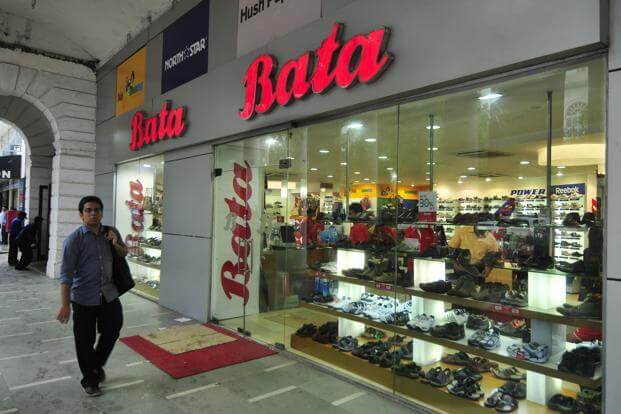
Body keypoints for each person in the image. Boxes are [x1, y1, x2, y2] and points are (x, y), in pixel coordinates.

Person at [55, 196, 127, 397]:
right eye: (88, 210)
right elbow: (66, 275)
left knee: (113, 329)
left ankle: (95, 365)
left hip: (109, 294)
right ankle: (90, 380)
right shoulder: (74, 240)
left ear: (101, 213)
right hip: (83, 298)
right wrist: (65, 305)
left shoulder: (111, 232)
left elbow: (124, 253)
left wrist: (115, 243)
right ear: (81, 215)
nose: (93, 213)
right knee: (84, 340)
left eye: (96, 210)